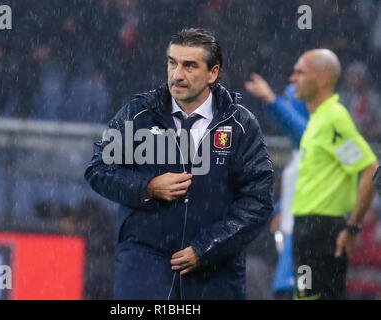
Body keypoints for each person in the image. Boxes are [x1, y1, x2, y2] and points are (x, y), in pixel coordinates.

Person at [84, 28, 274, 300]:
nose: (177, 74)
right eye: (172, 63)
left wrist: (206, 248)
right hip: (145, 267)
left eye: (189, 65)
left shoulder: (241, 126)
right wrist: (147, 187)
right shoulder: (138, 115)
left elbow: (258, 201)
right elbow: (99, 169)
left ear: (213, 73)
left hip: (215, 273)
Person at [289, 49, 379, 300]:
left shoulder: (333, 118)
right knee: (305, 297)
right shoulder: (318, 119)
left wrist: (352, 228)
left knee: (314, 297)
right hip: (308, 230)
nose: (293, 78)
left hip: (322, 231)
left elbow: (370, 169)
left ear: (324, 76)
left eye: (300, 72)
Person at [245, 75, 309, 299]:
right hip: (293, 243)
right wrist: (281, 210)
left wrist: (273, 101)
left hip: (304, 242)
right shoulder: (298, 154)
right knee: (294, 292)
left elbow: (304, 132)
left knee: (302, 293)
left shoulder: (316, 142)